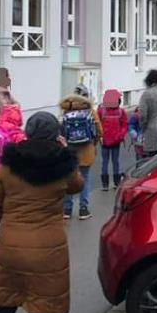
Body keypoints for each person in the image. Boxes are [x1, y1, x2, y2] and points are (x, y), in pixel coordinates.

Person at [0, 112, 84, 313]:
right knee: (41, 305)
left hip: (11, 244)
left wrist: (9, 223)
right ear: (55, 134)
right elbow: (77, 186)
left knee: (6, 298)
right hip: (47, 247)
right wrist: (66, 152)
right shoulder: (62, 167)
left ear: (27, 132)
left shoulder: (7, 165)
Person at [60, 85, 102, 221]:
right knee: (85, 179)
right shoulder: (90, 111)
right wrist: (93, 143)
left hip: (70, 151)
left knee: (69, 179)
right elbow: (99, 131)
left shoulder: (66, 111)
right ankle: (83, 209)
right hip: (86, 150)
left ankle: (67, 209)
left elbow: (61, 132)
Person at [98, 89, 128, 191]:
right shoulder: (121, 111)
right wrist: (121, 135)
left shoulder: (101, 111)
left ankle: (105, 184)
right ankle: (116, 183)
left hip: (104, 141)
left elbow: (97, 124)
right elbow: (124, 125)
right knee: (116, 162)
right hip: (116, 141)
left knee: (104, 162)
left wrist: (99, 136)